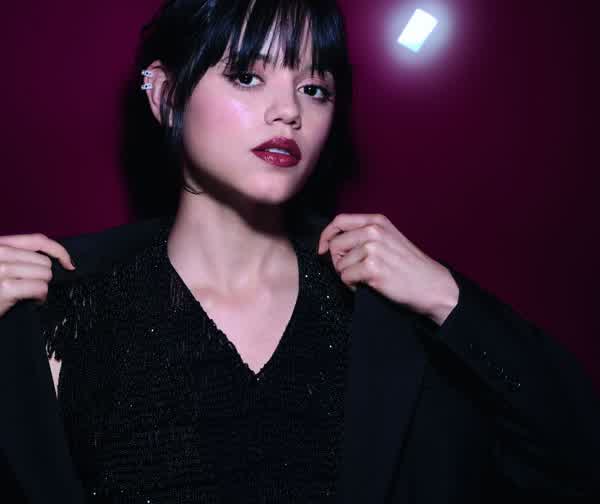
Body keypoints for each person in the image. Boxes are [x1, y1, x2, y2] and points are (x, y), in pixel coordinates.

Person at [1, 0, 599, 502]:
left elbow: (574, 456)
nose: (289, 111)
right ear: (164, 93)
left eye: (314, 88)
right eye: (247, 76)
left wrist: (449, 300)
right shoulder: (64, 314)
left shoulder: (381, 314)